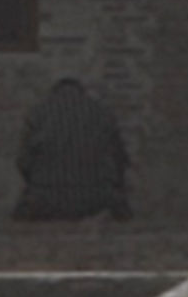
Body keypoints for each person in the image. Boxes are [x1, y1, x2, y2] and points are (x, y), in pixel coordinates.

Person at [13, 75, 131, 221]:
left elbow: (23, 162)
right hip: (97, 198)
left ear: (54, 92)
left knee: (18, 217)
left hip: (45, 200)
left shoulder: (38, 113)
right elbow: (120, 161)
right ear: (82, 91)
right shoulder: (102, 113)